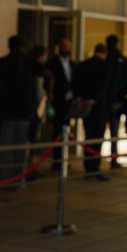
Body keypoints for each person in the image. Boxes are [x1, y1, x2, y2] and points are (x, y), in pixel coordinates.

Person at [0, 35, 34, 186]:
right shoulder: (29, 64)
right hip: (23, 112)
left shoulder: (1, 63)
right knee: (21, 149)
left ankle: (1, 178)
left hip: (6, 112)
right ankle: (18, 180)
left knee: (4, 147)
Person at [72, 43, 111, 180]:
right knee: (97, 138)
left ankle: (88, 167)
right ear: (105, 53)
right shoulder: (105, 66)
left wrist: (82, 99)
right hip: (99, 107)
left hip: (85, 106)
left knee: (89, 136)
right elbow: (104, 87)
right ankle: (94, 167)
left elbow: (76, 83)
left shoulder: (83, 64)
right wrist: (93, 99)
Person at [46, 38, 76, 169]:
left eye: (67, 46)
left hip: (69, 101)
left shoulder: (73, 64)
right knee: (58, 130)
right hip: (58, 100)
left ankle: (64, 159)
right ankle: (57, 160)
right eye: (63, 46)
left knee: (66, 130)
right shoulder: (52, 63)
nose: (65, 49)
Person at [105, 35, 127, 165]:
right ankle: (114, 158)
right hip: (118, 100)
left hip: (106, 100)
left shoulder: (107, 59)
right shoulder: (121, 60)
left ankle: (95, 162)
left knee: (100, 131)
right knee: (114, 130)